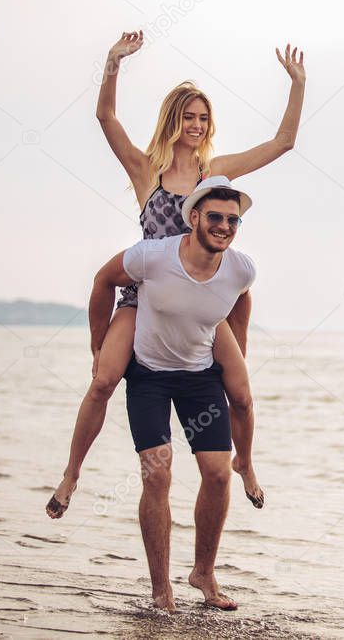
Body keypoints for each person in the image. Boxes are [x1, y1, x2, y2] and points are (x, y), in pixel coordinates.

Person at [46, 30, 306, 518]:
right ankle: (70, 474)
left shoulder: (217, 172)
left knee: (243, 392)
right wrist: (113, 61)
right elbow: (105, 117)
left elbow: (284, 142)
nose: (196, 124)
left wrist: (297, 84)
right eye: (188, 116)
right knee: (103, 381)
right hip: (143, 297)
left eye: (203, 118)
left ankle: (244, 464)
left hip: (200, 302)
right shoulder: (148, 170)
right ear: (173, 119)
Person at [95, 182, 255, 611]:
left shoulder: (241, 268)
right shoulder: (153, 256)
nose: (224, 226)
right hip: (148, 375)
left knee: (219, 474)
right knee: (158, 473)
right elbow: (104, 279)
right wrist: (98, 345)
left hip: (198, 376)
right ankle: (161, 590)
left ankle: (203, 572)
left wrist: (238, 349)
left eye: (233, 219)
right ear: (196, 218)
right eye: (216, 217)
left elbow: (241, 301)